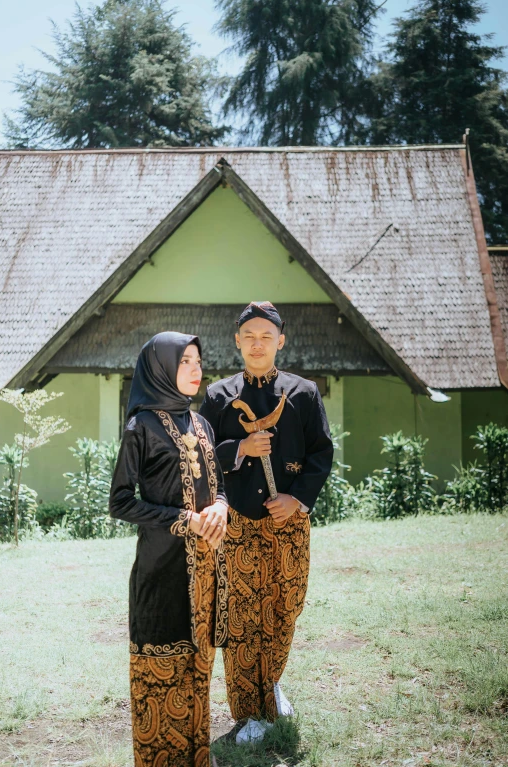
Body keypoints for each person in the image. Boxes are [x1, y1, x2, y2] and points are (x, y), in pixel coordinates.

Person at [199, 301, 333, 744]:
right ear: (237, 341)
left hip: (287, 524)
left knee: (284, 607)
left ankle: (270, 683)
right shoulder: (219, 396)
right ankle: (248, 712)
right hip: (236, 523)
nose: (258, 344)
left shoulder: (304, 393)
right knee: (241, 616)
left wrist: (297, 498)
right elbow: (203, 457)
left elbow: (321, 452)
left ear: (281, 340)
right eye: (249, 336)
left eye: (266, 336)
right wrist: (239, 449)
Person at [109, 331, 228, 767]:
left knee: (199, 669)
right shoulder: (140, 426)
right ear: (160, 367)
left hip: (207, 572)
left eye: (198, 361)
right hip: (161, 572)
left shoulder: (202, 425)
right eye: (185, 361)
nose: (197, 369)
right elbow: (119, 501)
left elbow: (220, 488)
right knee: (162, 671)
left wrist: (221, 507)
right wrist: (185, 521)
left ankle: (200, 756)